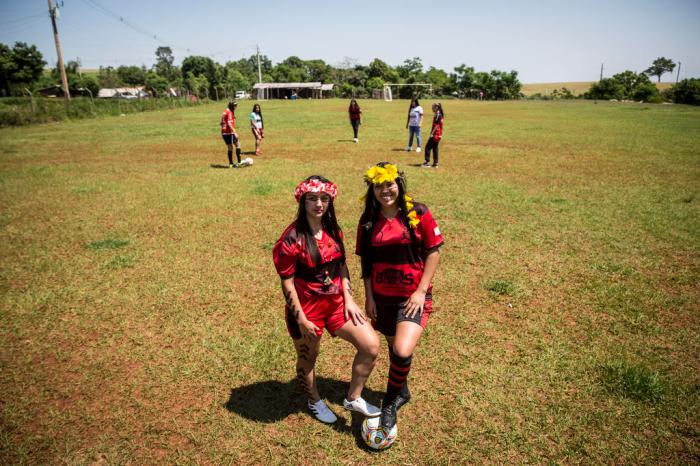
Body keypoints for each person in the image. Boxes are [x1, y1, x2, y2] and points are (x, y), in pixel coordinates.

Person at [273, 175, 381, 424]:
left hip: (335, 303)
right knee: (308, 358)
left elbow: (341, 266)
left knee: (371, 345)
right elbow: (287, 282)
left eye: (324, 198)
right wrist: (300, 319)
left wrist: (349, 299)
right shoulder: (291, 238)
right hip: (306, 309)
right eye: (312, 199)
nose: (319, 204)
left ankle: (353, 398)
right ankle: (314, 400)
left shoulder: (333, 229)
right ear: (302, 201)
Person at [356, 162, 443, 431]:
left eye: (390, 184)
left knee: (402, 350)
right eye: (379, 186)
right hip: (382, 298)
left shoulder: (418, 212)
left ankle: (391, 401)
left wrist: (420, 291)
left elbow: (433, 252)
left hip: (412, 297)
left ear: (399, 184)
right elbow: (366, 264)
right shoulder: (368, 221)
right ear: (372, 190)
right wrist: (369, 297)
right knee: (395, 349)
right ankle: (402, 389)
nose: (385, 190)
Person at [422, 103, 444, 168]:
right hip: (439, 134)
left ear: (436, 107)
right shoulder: (439, 114)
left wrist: (432, 133)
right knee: (435, 148)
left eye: (433, 107)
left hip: (435, 134)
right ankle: (435, 163)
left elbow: (437, 125)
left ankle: (427, 163)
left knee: (427, 147)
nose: (432, 108)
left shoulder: (438, 115)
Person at [221, 101, 241, 168]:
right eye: (235, 106)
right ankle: (239, 163)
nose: (236, 107)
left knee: (230, 147)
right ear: (231, 106)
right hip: (229, 132)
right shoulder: (229, 112)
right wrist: (235, 132)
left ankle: (231, 164)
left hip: (224, 132)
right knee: (238, 144)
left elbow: (221, 122)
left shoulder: (225, 111)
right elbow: (229, 123)